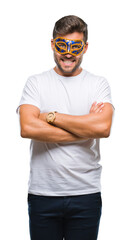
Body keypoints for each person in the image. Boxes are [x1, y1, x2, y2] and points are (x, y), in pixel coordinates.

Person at [17, 15, 114, 240]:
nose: (68, 52)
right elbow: (27, 128)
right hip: (43, 194)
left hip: (86, 193)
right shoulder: (36, 83)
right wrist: (84, 128)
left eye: (75, 46)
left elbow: (103, 127)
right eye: (62, 45)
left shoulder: (98, 84)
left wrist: (51, 116)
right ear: (53, 44)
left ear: (85, 48)